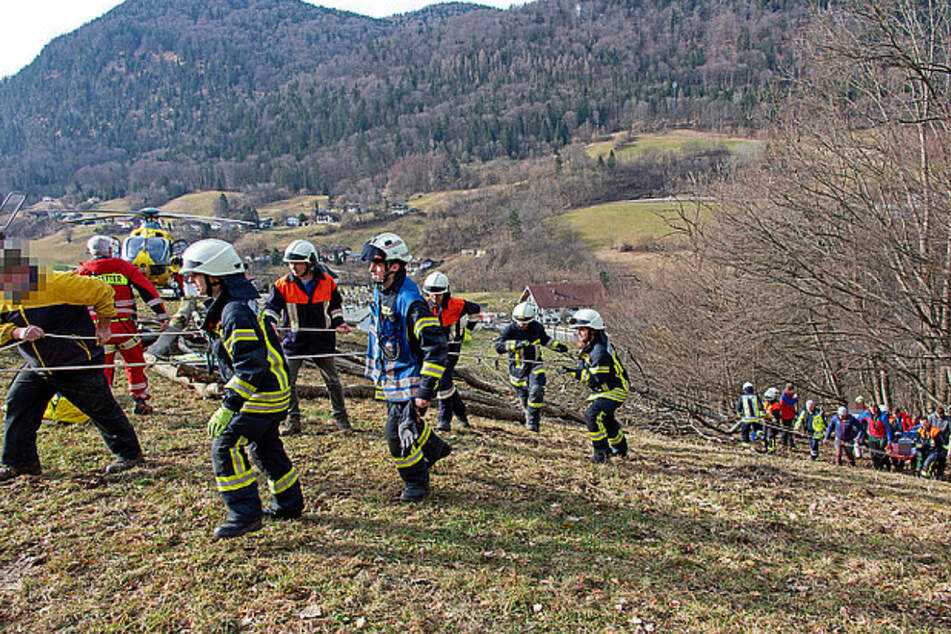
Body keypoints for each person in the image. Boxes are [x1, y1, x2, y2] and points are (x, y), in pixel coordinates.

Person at [180, 239, 304, 539]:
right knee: (265, 447)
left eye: (195, 277)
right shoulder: (236, 304)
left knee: (225, 445)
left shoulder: (234, 312)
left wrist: (229, 406)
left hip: (263, 393)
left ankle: (243, 514)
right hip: (275, 390)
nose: (191, 283)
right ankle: (289, 503)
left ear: (214, 276)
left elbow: (250, 367)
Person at [0, 241, 144, 481]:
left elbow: (102, 291)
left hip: (76, 361)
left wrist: (105, 326)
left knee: (101, 408)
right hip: (38, 365)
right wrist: (16, 332)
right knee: (18, 404)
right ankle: (21, 463)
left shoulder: (58, 283)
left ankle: (130, 454)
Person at [361, 232, 452, 503]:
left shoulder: (411, 302)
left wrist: (425, 392)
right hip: (391, 375)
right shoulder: (383, 289)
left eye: (377, 264)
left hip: (409, 376)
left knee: (396, 432)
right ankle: (434, 448)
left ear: (395, 265)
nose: (371, 270)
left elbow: (435, 348)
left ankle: (416, 482)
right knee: (403, 421)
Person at [265, 239, 351, 435]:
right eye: (290, 263)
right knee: (287, 382)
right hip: (294, 342)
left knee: (333, 381)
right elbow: (271, 308)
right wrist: (270, 321)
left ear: (310, 262)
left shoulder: (327, 282)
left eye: (298, 263)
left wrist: (339, 323)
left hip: (322, 341)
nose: (293, 267)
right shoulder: (281, 285)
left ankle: (341, 418)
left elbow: (335, 306)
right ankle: (292, 419)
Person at [76, 235, 169, 414]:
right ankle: (140, 400)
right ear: (111, 250)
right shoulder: (124, 268)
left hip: (100, 331)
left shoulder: (85, 272)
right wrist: (162, 314)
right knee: (135, 364)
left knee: (103, 368)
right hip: (126, 329)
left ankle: (104, 405)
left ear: (90, 252)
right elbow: (146, 290)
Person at [494, 301, 569, 432]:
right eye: (520, 322)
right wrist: (517, 344)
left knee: (536, 391)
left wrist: (558, 346)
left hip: (535, 364)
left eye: (526, 322)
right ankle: (529, 419)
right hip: (517, 370)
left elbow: (545, 340)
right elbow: (499, 347)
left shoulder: (537, 327)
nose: (523, 324)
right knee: (525, 401)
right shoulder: (510, 330)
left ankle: (533, 424)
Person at [566, 309, 629, 462]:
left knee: (592, 415)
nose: (578, 333)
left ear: (593, 330)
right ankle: (620, 448)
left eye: (582, 329)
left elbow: (595, 380)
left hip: (615, 390)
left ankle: (601, 453)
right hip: (605, 390)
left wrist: (574, 373)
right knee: (606, 419)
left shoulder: (599, 352)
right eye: (578, 330)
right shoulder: (590, 347)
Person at [422, 271, 481, 432]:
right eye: (432, 295)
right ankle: (461, 414)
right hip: (433, 349)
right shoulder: (424, 305)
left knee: (443, 380)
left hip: (452, 348)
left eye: (438, 295)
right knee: (445, 382)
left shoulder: (458, 304)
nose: (435, 298)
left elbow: (476, 310)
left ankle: (444, 419)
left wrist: (469, 329)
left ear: (446, 292)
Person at [735, 381, 763, 448]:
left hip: (746, 418)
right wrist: (762, 414)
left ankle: (746, 443)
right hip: (756, 417)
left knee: (745, 431)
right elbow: (760, 406)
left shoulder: (742, 397)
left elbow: (739, 407)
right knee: (757, 429)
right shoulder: (756, 396)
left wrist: (739, 414)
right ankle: (757, 435)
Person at [866, 404, 893, 471]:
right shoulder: (867, 415)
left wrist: (889, 441)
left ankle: (887, 465)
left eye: (874, 408)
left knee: (881, 453)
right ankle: (878, 468)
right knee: (873, 453)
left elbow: (888, 429)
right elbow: (858, 419)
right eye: (871, 408)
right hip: (872, 437)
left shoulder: (883, 417)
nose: (873, 410)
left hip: (881, 437)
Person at [762, 387, 781, 454]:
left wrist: (770, 416)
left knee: (771, 436)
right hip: (765, 421)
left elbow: (776, 416)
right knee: (763, 434)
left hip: (772, 423)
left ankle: (771, 449)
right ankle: (765, 447)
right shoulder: (765, 403)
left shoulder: (776, 405)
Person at [779, 383, 798, 450]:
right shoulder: (784, 396)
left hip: (790, 415)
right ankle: (786, 444)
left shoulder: (789, 396)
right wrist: (795, 399)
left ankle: (788, 444)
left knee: (788, 430)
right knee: (786, 430)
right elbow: (790, 403)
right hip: (785, 416)